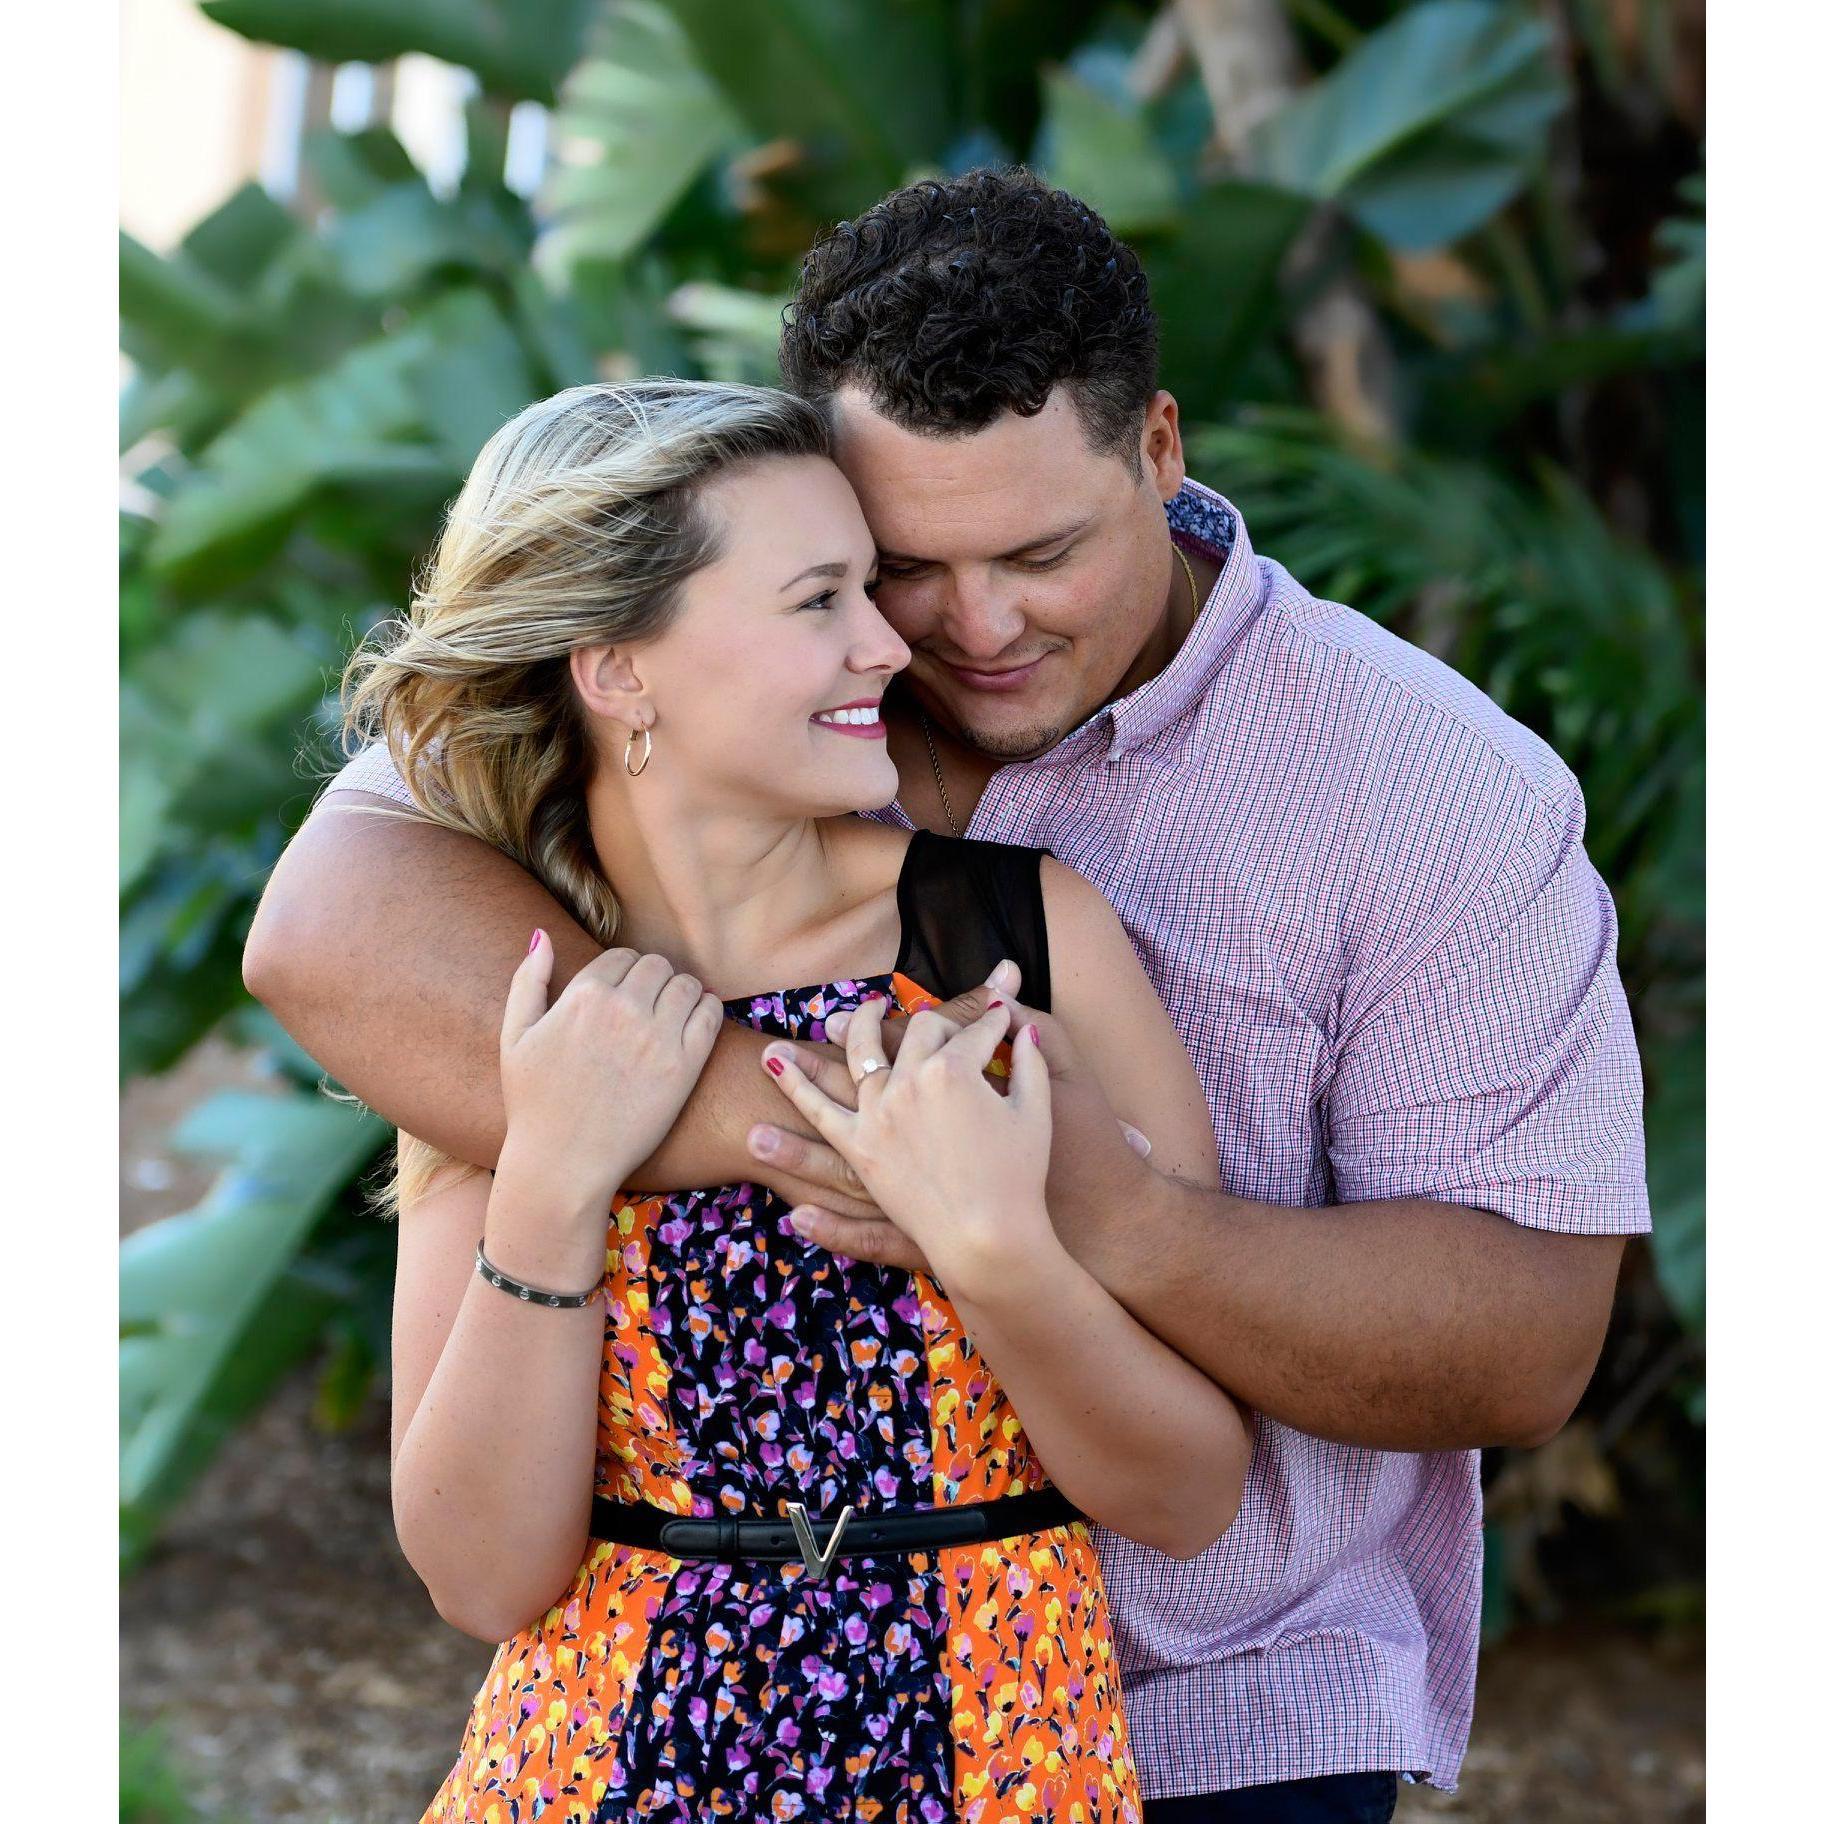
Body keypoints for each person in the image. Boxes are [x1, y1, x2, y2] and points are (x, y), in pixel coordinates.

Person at [247, 168, 1651, 1821]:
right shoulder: (605, 857)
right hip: (653, 1716)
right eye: (899, 566)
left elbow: (1525, 1346)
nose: (964, 632)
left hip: (1212, 1702)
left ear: (1163, 452)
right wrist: (766, 1123)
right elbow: (331, 925)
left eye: (1042, 552)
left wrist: (1078, 1210)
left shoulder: (1432, 791)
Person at [350, 376, 1253, 1823]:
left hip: (997, 1761)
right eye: (818, 600)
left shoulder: (1017, 940)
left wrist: (994, 1250)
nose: (893, 645)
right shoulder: (516, 990)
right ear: (619, 666)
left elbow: (1193, 1495)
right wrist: (553, 1177)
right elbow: (480, 1578)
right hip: (593, 1773)